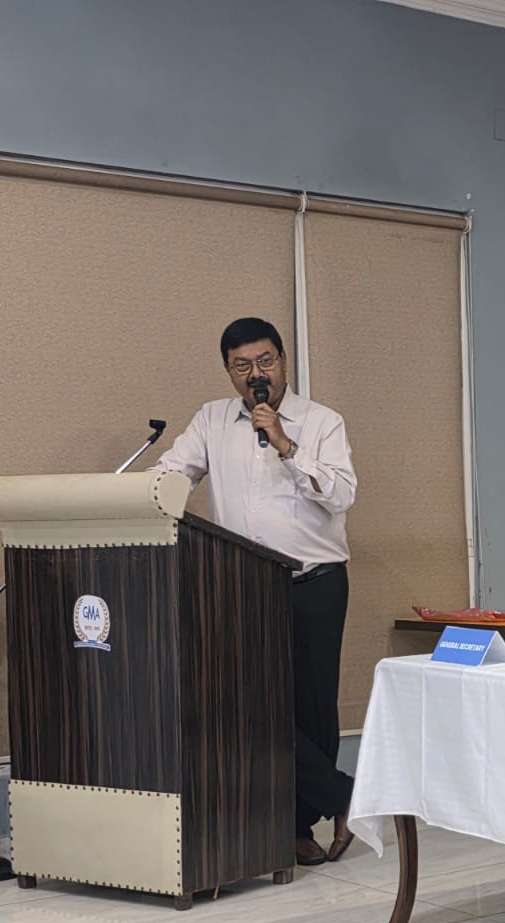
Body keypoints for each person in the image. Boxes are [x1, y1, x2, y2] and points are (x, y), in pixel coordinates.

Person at [157, 317, 360, 866]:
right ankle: (343, 798)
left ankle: (298, 828)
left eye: (265, 361)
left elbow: (341, 495)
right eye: (242, 365)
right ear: (229, 371)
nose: (256, 374)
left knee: (311, 708)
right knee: (250, 705)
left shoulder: (321, 422)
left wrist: (286, 445)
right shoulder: (211, 420)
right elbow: (173, 473)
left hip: (314, 582)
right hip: (242, 586)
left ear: (283, 361)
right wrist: (140, 495)